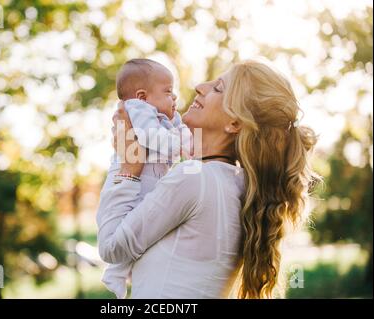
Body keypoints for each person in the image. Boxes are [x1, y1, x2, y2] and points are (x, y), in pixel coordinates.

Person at [97, 59, 319, 298]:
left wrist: (128, 167)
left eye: (218, 88)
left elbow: (111, 248)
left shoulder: (194, 180)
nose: (200, 86)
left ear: (234, 123)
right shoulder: (238, 184)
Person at [99, 58, 192, 299]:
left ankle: (117, 274)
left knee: (133, 228)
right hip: (128, 178)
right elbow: (150, 136)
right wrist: (178, 146)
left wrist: (188, 142)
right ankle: (116, 274)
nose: (174, 98)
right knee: (122, 223)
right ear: (142, 96)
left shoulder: (167, 116)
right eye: (168, 91)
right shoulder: (137, 109)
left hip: (147, 183)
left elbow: (184, 134)